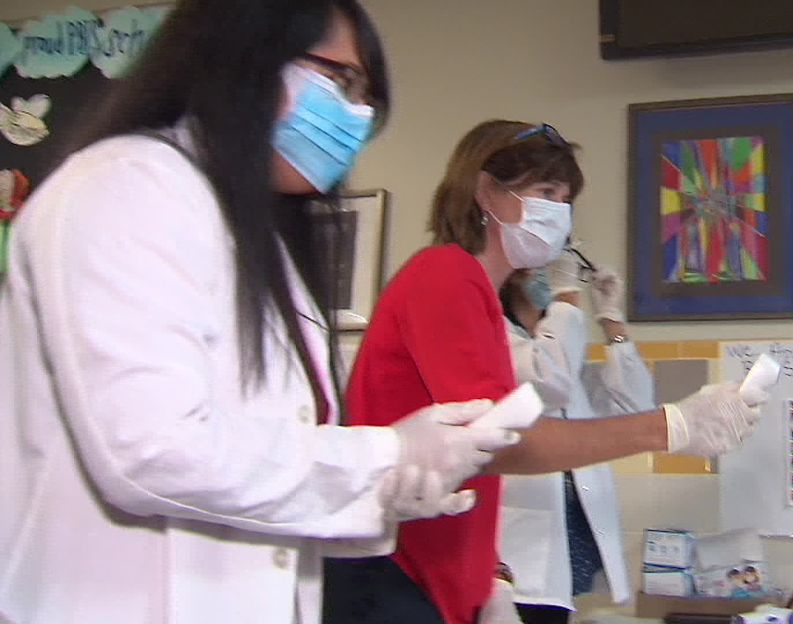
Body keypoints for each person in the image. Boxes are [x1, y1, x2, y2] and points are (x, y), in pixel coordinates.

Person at [0, 2, 520, 623]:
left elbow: (266, 456)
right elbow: (152, 449)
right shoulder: (124, 186)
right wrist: (381, 457)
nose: (353, 115)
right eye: (341, 81)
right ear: (242, 56)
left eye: (365, 98)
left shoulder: (255, 233)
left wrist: (385, 490)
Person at [330, 119, 769, 624]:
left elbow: (478, 453)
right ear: (486, 191)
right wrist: (672, 426)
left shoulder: (476, 297)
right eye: (546, 191)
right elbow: (497, 441)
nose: (559, 213)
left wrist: (490, 577)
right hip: (395, 574)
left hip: (442, 574)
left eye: (565, 199)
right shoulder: (444, 274)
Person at [498, 249, 654, 624]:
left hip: (566, 557)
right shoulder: (499, 336)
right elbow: (549, 382)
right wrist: (566, 298)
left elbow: (633, 404)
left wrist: (611, 320)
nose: (551, 278)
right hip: (516, 558)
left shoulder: (558, 348)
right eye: (549, 267)